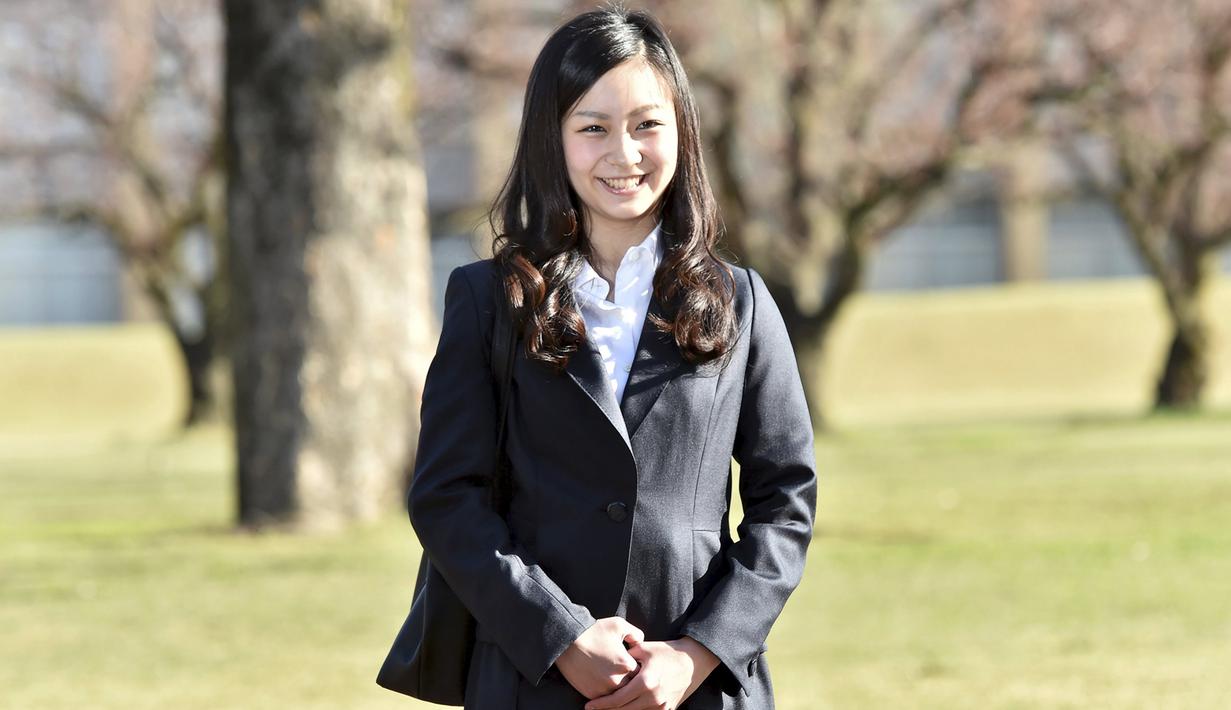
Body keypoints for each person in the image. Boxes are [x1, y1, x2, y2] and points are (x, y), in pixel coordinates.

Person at [407, 6, 817, 709]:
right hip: (527, 676)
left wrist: (698, 653)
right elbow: (447, 499)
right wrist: (559, 635)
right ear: (552, 138)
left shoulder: (740, 302)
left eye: (646, 125)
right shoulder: (486, 300)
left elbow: (785, 502)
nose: (622, 154)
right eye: (591, 127)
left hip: (695, 684)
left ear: (681, 132)